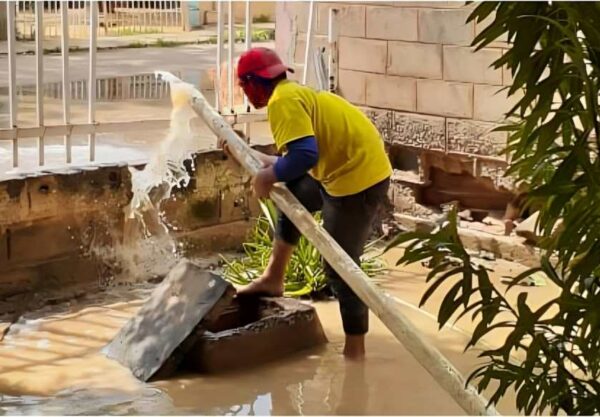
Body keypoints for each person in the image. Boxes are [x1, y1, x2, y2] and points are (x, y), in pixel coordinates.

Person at [229, 47, 392, 360]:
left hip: (357, 180)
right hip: (348, 167)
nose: (245, 94)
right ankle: (274, 278)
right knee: (295, 194)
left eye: (243, 86)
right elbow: (296, 157)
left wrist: (268, 177)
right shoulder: (292, 93)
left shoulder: (281, 102)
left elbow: (305, 156)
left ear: (252, 83)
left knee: (340, 265)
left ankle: (355, 352)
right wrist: (256, 160)